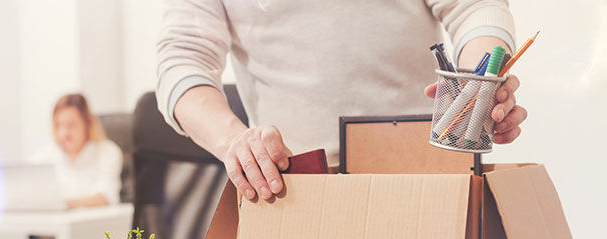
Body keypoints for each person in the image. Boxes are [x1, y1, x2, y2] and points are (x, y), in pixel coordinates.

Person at [155, 1, 526, 201]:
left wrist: (479, 86)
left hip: (423, 180)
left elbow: (475, 6)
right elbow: (183, 60)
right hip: (296, 189)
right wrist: (233, 141)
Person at [33, 93, 123, 208]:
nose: (64, 133)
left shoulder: (108, 152)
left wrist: (62, 205)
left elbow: (105, 197)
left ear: (87, 124)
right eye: (59, 125)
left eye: (71, 125)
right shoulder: (44, 156)